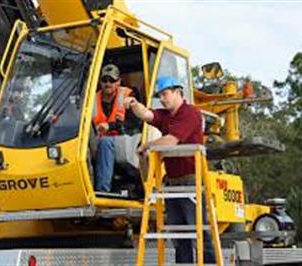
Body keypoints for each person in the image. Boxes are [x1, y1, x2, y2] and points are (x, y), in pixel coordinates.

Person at [123, 76, 215, 263]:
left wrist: (147, 145)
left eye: (165, 94)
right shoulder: (166, 115)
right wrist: (133, 104)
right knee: (179, 235)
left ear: (177, 92)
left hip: (191, 182)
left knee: (198, 231)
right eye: (160, 95)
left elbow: (171, 141)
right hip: (172, 184)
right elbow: (147, 115)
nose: (162, 99)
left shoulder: (191, 113)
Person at [92, 64, 134, 192]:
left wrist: (110, 126)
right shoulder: (92, 99)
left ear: (119, 81)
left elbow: (134, 123)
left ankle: (102, 189)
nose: (108, 83)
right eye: (104, 80)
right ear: (100, 82)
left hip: (126, 137)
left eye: (112, 80)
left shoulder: (128, 95)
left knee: (105, 143)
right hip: (98, 139)